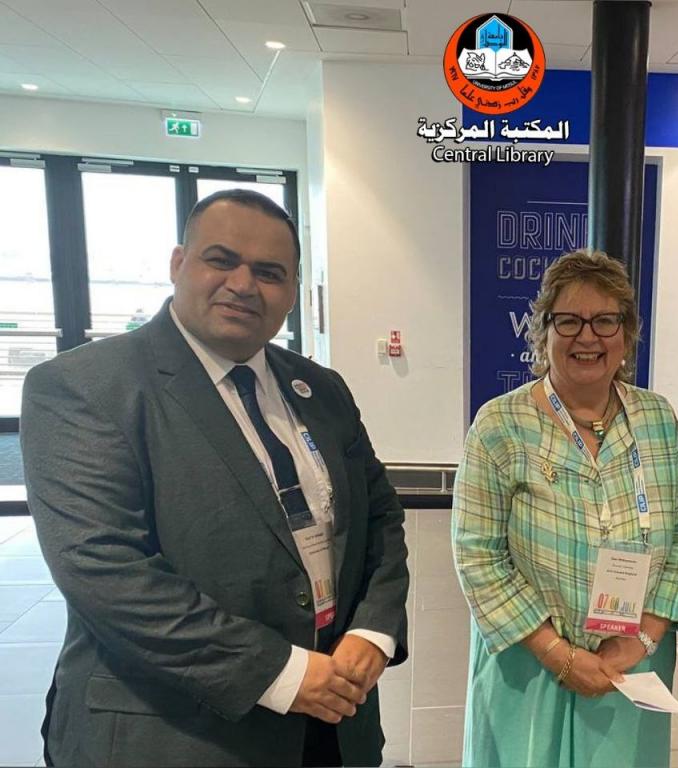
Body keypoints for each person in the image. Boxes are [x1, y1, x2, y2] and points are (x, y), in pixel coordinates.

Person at [20, 189, 409, 767]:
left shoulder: (321, 389)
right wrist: (281, 672)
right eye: (221, 260)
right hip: (177, 734)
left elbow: (380, 518)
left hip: (333, 722)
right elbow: (104, 569)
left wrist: (373, 632)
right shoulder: (85, 387)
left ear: (293, 292)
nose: (244, 285)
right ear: (179, 264)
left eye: (270, 273)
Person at [452, 249, 678, 767]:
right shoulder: (500, 426)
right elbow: (477, 554)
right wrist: (556, 652)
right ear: (542, 331)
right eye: (569, 320)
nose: (587, 337)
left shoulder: (658, 420)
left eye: (605, 321)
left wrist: (643, 638)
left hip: (629, 666)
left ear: (626, 334)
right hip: (529, 664)